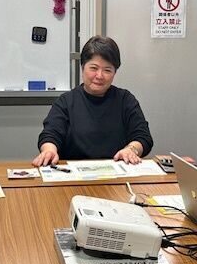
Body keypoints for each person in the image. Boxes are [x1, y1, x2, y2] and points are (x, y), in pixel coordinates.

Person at [32, 35, 153, 166]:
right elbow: (50, 134)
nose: (99, 76)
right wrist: (49, 151)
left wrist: (131, 150)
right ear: (83, 67)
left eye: (107, 70)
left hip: (118, 172)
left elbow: (143, 137)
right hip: (74, 173)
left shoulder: (125, 100)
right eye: (94, 68)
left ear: (114, 73)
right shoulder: (66, 102)